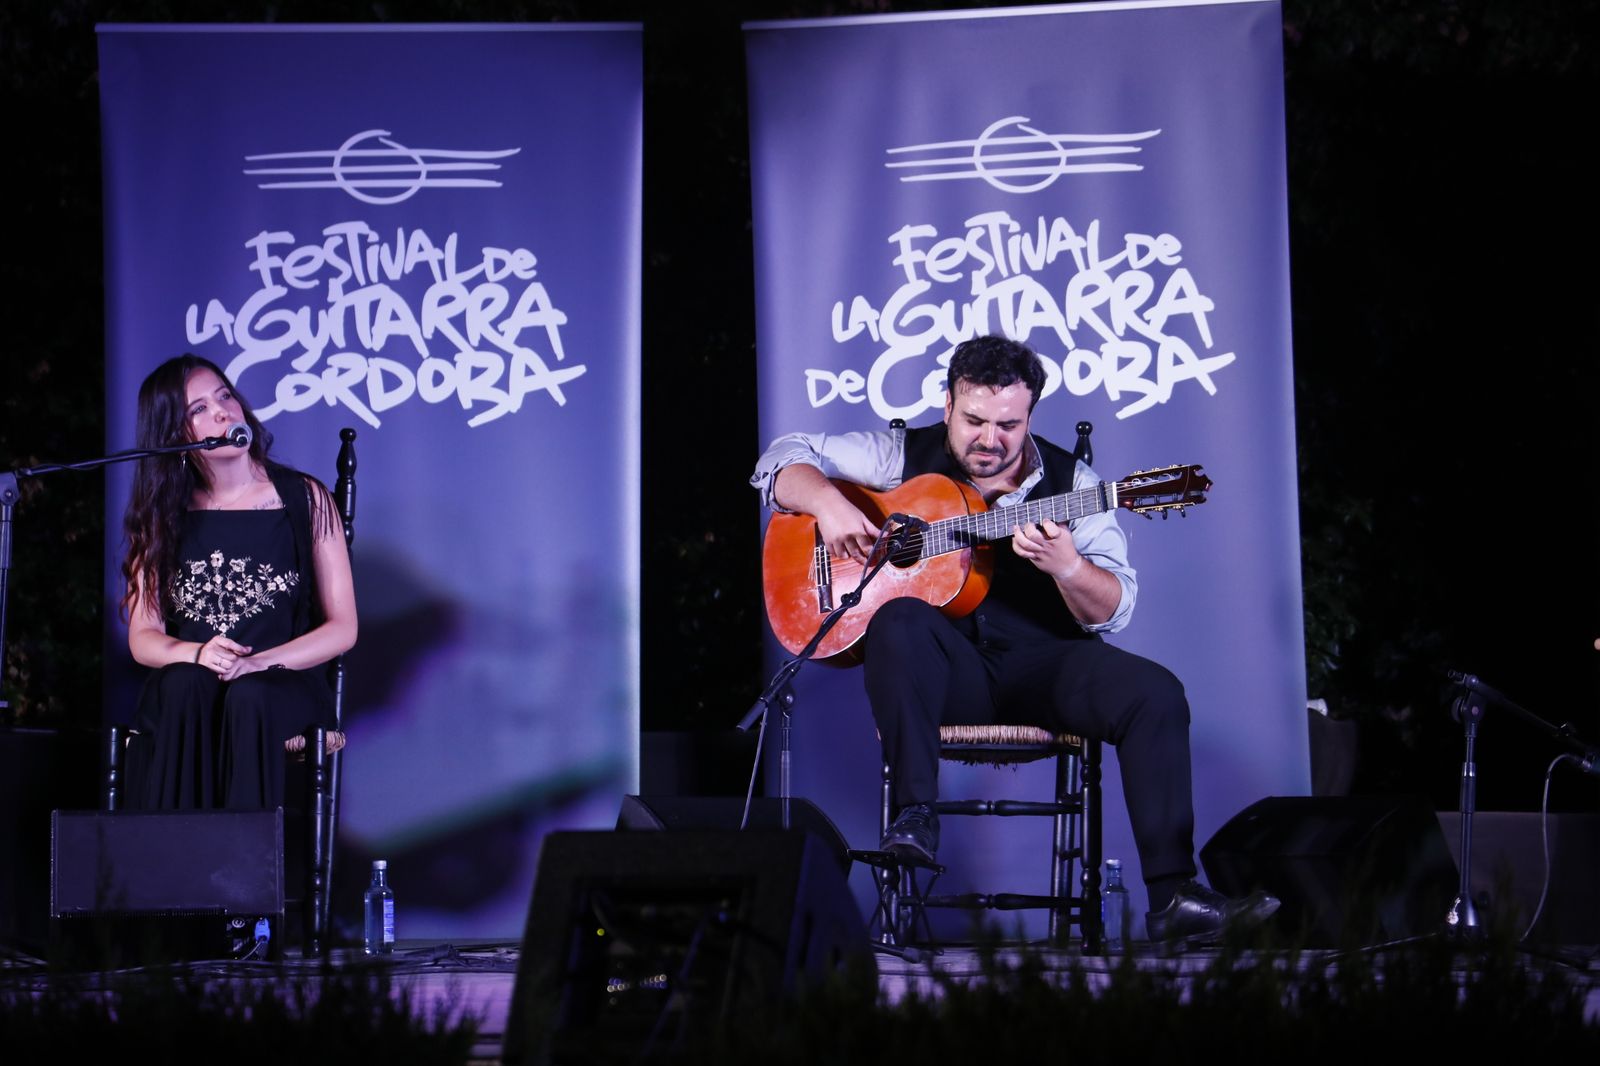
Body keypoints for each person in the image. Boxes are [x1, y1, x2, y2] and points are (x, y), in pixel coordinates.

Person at [750, 334, 1276, 950]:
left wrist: (1068, 567)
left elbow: (1115, 609)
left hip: (1041, 669)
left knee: (1155, 693)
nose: (989, 439)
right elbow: (781, 459)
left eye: (1008, 424)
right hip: (945, 678)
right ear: (948, 406)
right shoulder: (897, 456)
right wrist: (831, 508)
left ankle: (1173, 895)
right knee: (898, 619)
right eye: (973, 420)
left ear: (1029, 415)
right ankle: (916, 818)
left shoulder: (1074, 482)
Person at [119, 354, 357, 811]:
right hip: (194, 685)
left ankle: (242, 876)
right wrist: (198, 654)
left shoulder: (305, 498)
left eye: (224, 396)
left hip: (280, 682)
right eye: (199, 409)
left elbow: (343, 627)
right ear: (174, 436)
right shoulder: (162, 514)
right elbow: (143, 636)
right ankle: (176, 867)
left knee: (248, 697)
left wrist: (257, 663)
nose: (223, 412)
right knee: (183, 685)